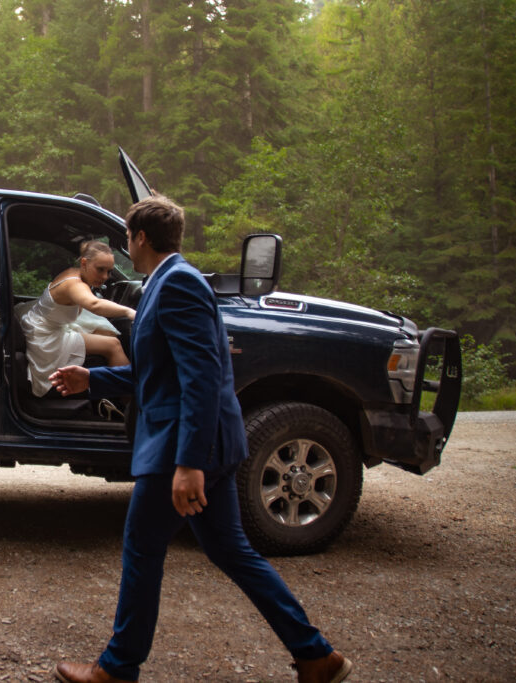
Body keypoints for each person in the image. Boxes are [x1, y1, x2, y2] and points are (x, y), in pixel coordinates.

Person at [48, 196, 352, 683]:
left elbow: (202, 379)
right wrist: (94, 380)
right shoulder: (164, 283)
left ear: (142, 237)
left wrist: (189, 462)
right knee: (231, 551)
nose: (127, 245)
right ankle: (317, 656)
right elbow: (159, 375)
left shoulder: (179, 284)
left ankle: (116, 669)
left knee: (142, 550)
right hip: (198, 445)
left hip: (182, 449)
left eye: (128, 237)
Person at [18, 240, 135, 397]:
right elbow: (94, 304)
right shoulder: (75, 285)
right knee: (113, 345)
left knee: (108, 334)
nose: (105, 277)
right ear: (84, 263)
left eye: (108, 271)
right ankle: (132, 404)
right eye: (100, 269)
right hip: (45, 338)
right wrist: (129, 312)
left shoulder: (73, 272)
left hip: (42, 325)